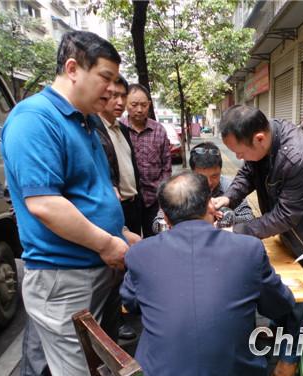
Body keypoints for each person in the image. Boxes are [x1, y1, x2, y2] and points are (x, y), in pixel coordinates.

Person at [1, 31, 139, 376]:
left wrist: (122, 233)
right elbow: (45, 204)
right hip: (63, 277)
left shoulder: (86, 121)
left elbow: (88, 193)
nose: (112, 91)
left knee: (94, 371)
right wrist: (107, 243)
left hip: (93, 271)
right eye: (106, 78)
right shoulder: (34, 119)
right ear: (73, 68)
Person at [120, 172, 295, 376]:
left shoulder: (140, 254)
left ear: (166, 218)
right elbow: (280, 304)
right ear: (211, 206)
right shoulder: (249, 249)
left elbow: (130, 303)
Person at [213, 105, 303, 376]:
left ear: (259, 138)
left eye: (240, 152)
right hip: (287, 229)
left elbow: (285, 216)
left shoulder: (299, 156)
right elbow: (248, 172)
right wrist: (228, 198)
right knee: (281, 287)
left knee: (298, 296)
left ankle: (290, 354)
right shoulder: (262, 138)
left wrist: (237, 231)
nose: (238, 157)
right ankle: (277, 328)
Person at [92, 74, 141, 340]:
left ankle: (125, 308)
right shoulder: (94, 129)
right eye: (113, 95)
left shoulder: (121, 129)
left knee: (128, 262)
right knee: (115, 267)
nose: (119, 102)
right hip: (114, 209)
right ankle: (118, 319)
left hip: (131, 204)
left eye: (123, 96)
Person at [152, 142, 254, 233]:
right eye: (202, 177)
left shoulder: (231, 186)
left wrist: (224, 217)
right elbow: (157, 225)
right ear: (192, 172)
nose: (209, 182)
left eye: (215, 176)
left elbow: (249, 218)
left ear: (221, 170)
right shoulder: (180, 188)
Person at [121, 84, 171, 237]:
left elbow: (166, 167)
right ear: (126, 103)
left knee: (156, 239)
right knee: (130, 241)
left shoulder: (159, 130)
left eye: (143, 105)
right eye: (134, 104)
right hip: (127, 200)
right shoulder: (118, 129)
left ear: (149, 104)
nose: (139, 109)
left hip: (153, 200)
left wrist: (163, 197)